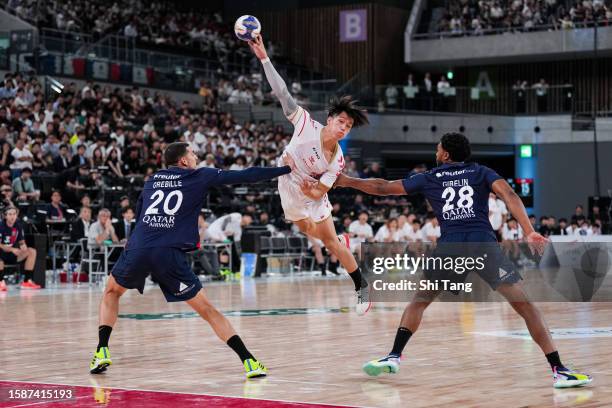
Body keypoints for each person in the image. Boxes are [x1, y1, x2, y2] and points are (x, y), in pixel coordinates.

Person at [335, 132, 591, 388]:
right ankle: (559, 369)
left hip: (451, 247)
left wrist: (346, 180)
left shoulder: (430, 177)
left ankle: (394, 355)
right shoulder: (481, 171)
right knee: (525, 306)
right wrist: (529, 231)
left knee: (418, 303)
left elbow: (381, 187)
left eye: (438, 149)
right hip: (482, 245)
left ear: (446, 154)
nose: (436, 154)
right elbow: (510, 195)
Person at [89, 142, 295, 379]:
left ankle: (101, 349)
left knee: (111, 292)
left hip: (139, 247)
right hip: (168, 252)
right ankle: (249, 362)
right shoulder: (199, 176)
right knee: (207, 310)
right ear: (184, 161)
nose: (196, 156)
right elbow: (245, 175)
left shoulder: (152, 180)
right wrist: (284, 169)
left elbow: (140, 214)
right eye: (193, 153)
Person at [247, 34, 370, 314]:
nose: (343, 128)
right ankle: (338, 242)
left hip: (309, 188)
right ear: (329, 120)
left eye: (348, 126)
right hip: (289, 185)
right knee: (307, 231)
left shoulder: (337, 160)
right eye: (341, 121)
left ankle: (362, 286)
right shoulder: (305, 124)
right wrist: (264, 57)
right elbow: (282, 93)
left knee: (331, 243)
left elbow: (318, 193)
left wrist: (308, 187)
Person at [0, 207, 39, 291]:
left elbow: (21, 242)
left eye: (14, 214)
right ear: (5, 216)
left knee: (32, 251)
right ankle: (1, 282)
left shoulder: (18, 226)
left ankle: (26, 281)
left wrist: (23, 248)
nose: (12, 216)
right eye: (10, 214)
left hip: (12, 255)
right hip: (2, 253)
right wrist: (12, 249)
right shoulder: (1, 226)